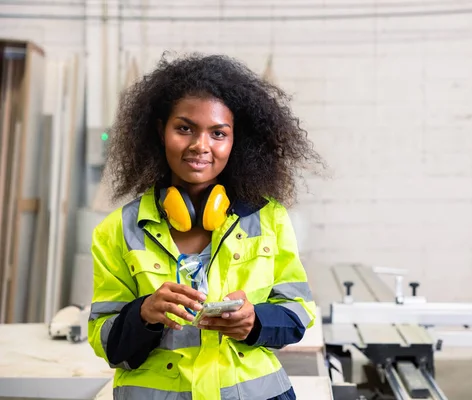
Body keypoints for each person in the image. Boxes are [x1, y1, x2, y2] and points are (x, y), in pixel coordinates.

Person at [88, 52, 323, 400]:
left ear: (235, 140)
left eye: (218, 133)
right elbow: (105, 340)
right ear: (160, 130)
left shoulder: (268, 218)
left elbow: (298, 314)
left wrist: (254, 321)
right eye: (185, 128)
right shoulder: (117, 230)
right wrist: (143, 314)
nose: (201, 146)